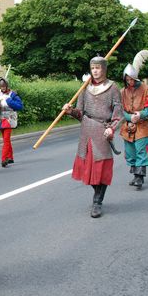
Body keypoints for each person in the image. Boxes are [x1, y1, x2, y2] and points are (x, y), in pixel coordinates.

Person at [63, 56, 123, 218]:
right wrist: (70, 111)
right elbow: (80, 113)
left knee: (101, 168)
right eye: (93, 68)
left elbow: (118, 114)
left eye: (98, 68)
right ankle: (97, 193)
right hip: (86, 131)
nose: (95, 71)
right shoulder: (85, 88)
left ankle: (97, 201)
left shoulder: (113, 88)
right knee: (88, 169)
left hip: (102, 130)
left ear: (104, 69)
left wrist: (111, 129)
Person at [120, 58, 148, 190]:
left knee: (141, 150)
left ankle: (139, 177)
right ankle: (135, 175)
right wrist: (129, 116)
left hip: (142, 125)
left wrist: (140, 114)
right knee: (130, 152)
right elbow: (120, 110)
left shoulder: (146, 89)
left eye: (131, 79)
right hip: (128, 126)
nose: (130, 82)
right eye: (127, 79)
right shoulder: (122, 92)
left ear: (135, 78)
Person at [0, 77, 23, 167]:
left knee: (6, 140)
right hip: (1, 118)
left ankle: (4, 159)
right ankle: (10, 157)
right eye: (1, 86)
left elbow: (20, 106)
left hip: (10, 117)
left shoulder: (13, 94)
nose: (3, 88)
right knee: (6, 139)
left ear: (7, 86)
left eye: (4, 86)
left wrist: (9, 100)